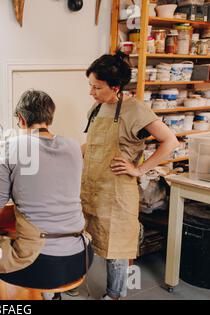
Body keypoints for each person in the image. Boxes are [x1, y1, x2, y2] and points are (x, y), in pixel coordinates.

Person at [0, 90, 93, 300]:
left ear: (21, 119)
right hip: (81, 257)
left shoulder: (16, 146)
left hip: (44, 262)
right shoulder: (73, 146)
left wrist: (0, 186)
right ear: (50, 117)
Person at [82, 52, 179, 300]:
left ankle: (114, 295)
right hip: (91, 187)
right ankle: (73, 282)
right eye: (90, 86)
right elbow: (91, 146)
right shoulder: (97, 108)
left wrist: (140, 169)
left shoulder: (136, 110)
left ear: (115, 87)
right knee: (83, 238)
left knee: (116, 247)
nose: (91, 92)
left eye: (97, 87)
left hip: (117, 192)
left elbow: (170, 141)